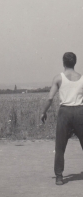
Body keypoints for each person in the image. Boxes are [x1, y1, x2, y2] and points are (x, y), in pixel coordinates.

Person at [41, 52, 83, 185]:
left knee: (60, 146)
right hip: (80, 112)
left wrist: (43, 112)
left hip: (64, 112)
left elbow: (49, 98)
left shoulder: (58, 78)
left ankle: (59, 177)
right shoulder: (82, 78)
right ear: (75, 63)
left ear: (63, 63)